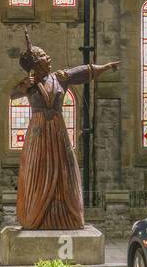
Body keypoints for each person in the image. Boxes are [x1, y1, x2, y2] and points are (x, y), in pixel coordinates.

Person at [10, 33, 119, 230]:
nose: (48, 57)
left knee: (65, 170)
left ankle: (66, 216)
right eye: (43, 55)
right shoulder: (31, 84)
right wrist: (27, 84)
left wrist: (105, 67)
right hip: (38, 132)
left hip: (58, 131)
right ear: (35, 62)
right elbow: (13, 94)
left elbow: (85, 71)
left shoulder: (60, 78)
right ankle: (36, 214)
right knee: (38, 169)